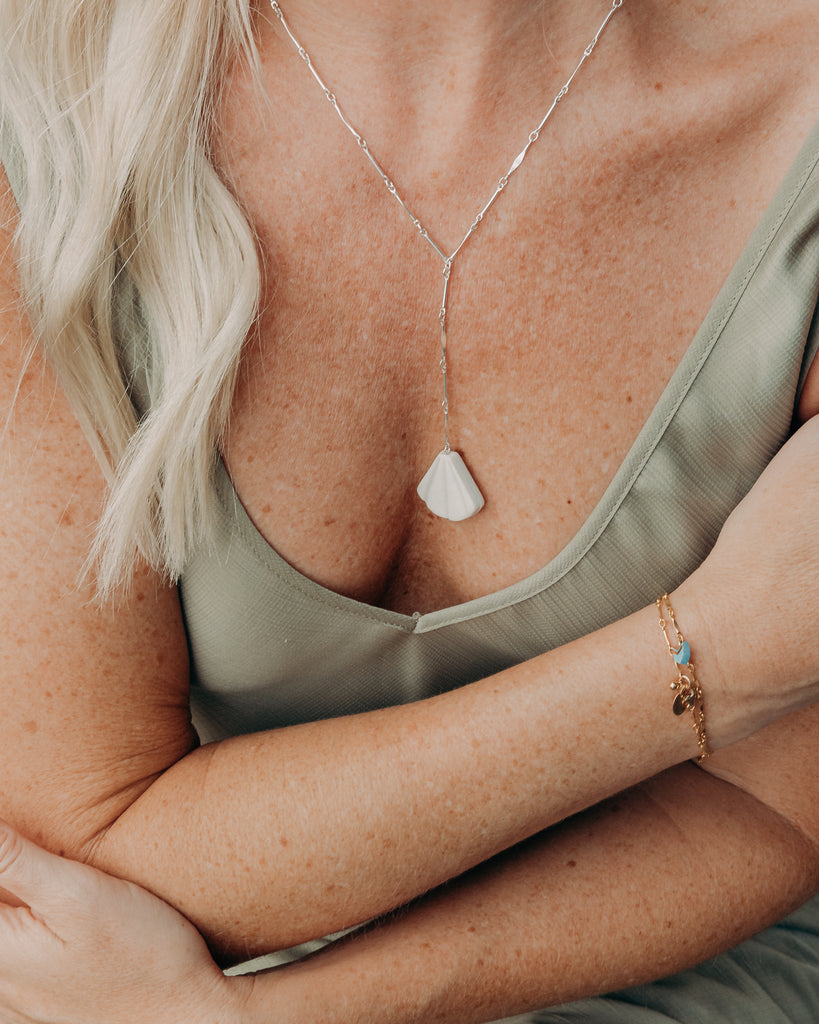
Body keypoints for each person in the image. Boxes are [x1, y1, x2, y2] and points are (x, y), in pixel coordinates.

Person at [0, 0, 818, 1021]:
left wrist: (263, 1017)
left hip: (695, 973)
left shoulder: (796, 110)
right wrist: (706, 660)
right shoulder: (47, 106)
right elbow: (86, 853)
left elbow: (771, 806)